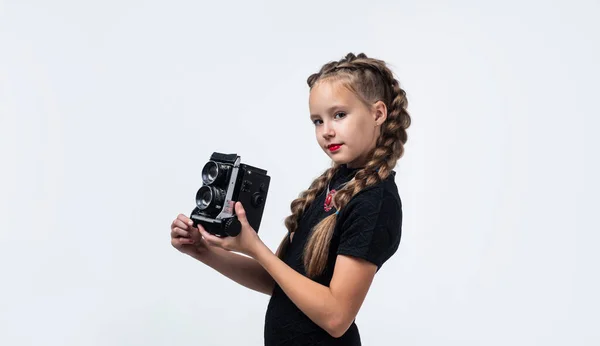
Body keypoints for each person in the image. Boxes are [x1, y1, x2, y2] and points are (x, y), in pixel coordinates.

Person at [170, 52, 411, 345]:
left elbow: (336, 317)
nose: (327, 131)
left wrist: (256, 248)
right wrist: (202, 250)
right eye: (317, 121)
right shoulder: (336, 184)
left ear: (377, 113)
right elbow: (281, 283)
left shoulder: (374, 202)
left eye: (339, 115)